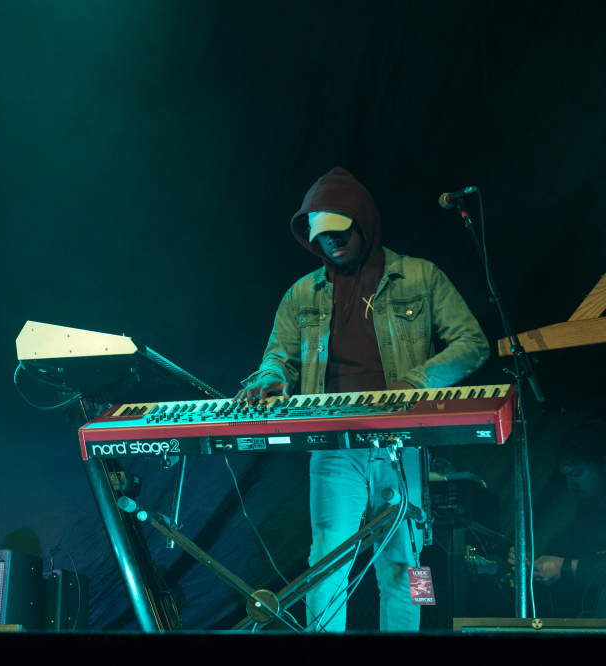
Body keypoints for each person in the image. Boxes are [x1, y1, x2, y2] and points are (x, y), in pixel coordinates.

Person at [234, 167, 489, 632]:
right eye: (321, 235)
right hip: (334, 444)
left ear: (364, 221)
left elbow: (472, 343)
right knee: (327, 560)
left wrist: (417, 381)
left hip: (403, 442)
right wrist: (270, 378)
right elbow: (277, 358)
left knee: (407, 563)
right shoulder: (301, 294)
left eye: (339, 230)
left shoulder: (421, 277)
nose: (330, 241)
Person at [508, 420, 606, 617]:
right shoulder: (585, 512)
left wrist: (565, 566)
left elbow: (567, 564)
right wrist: (534, 564)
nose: (571, 486)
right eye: (566, 477)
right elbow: (565, 555)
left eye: (577, 473)